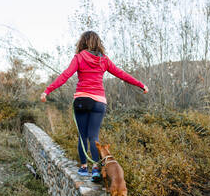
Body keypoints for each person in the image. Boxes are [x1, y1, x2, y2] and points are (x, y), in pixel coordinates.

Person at [40, 31, 148, 182]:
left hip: (82, 100)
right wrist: (140, 84)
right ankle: (96, 169)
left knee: (82, 136)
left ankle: (84, 167)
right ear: (98, 43)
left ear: (82, 43)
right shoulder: (104, 60)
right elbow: (121, 74)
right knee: (94, 136)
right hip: (98, 102)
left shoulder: (79, 58)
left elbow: (65, 75)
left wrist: (47, 91)